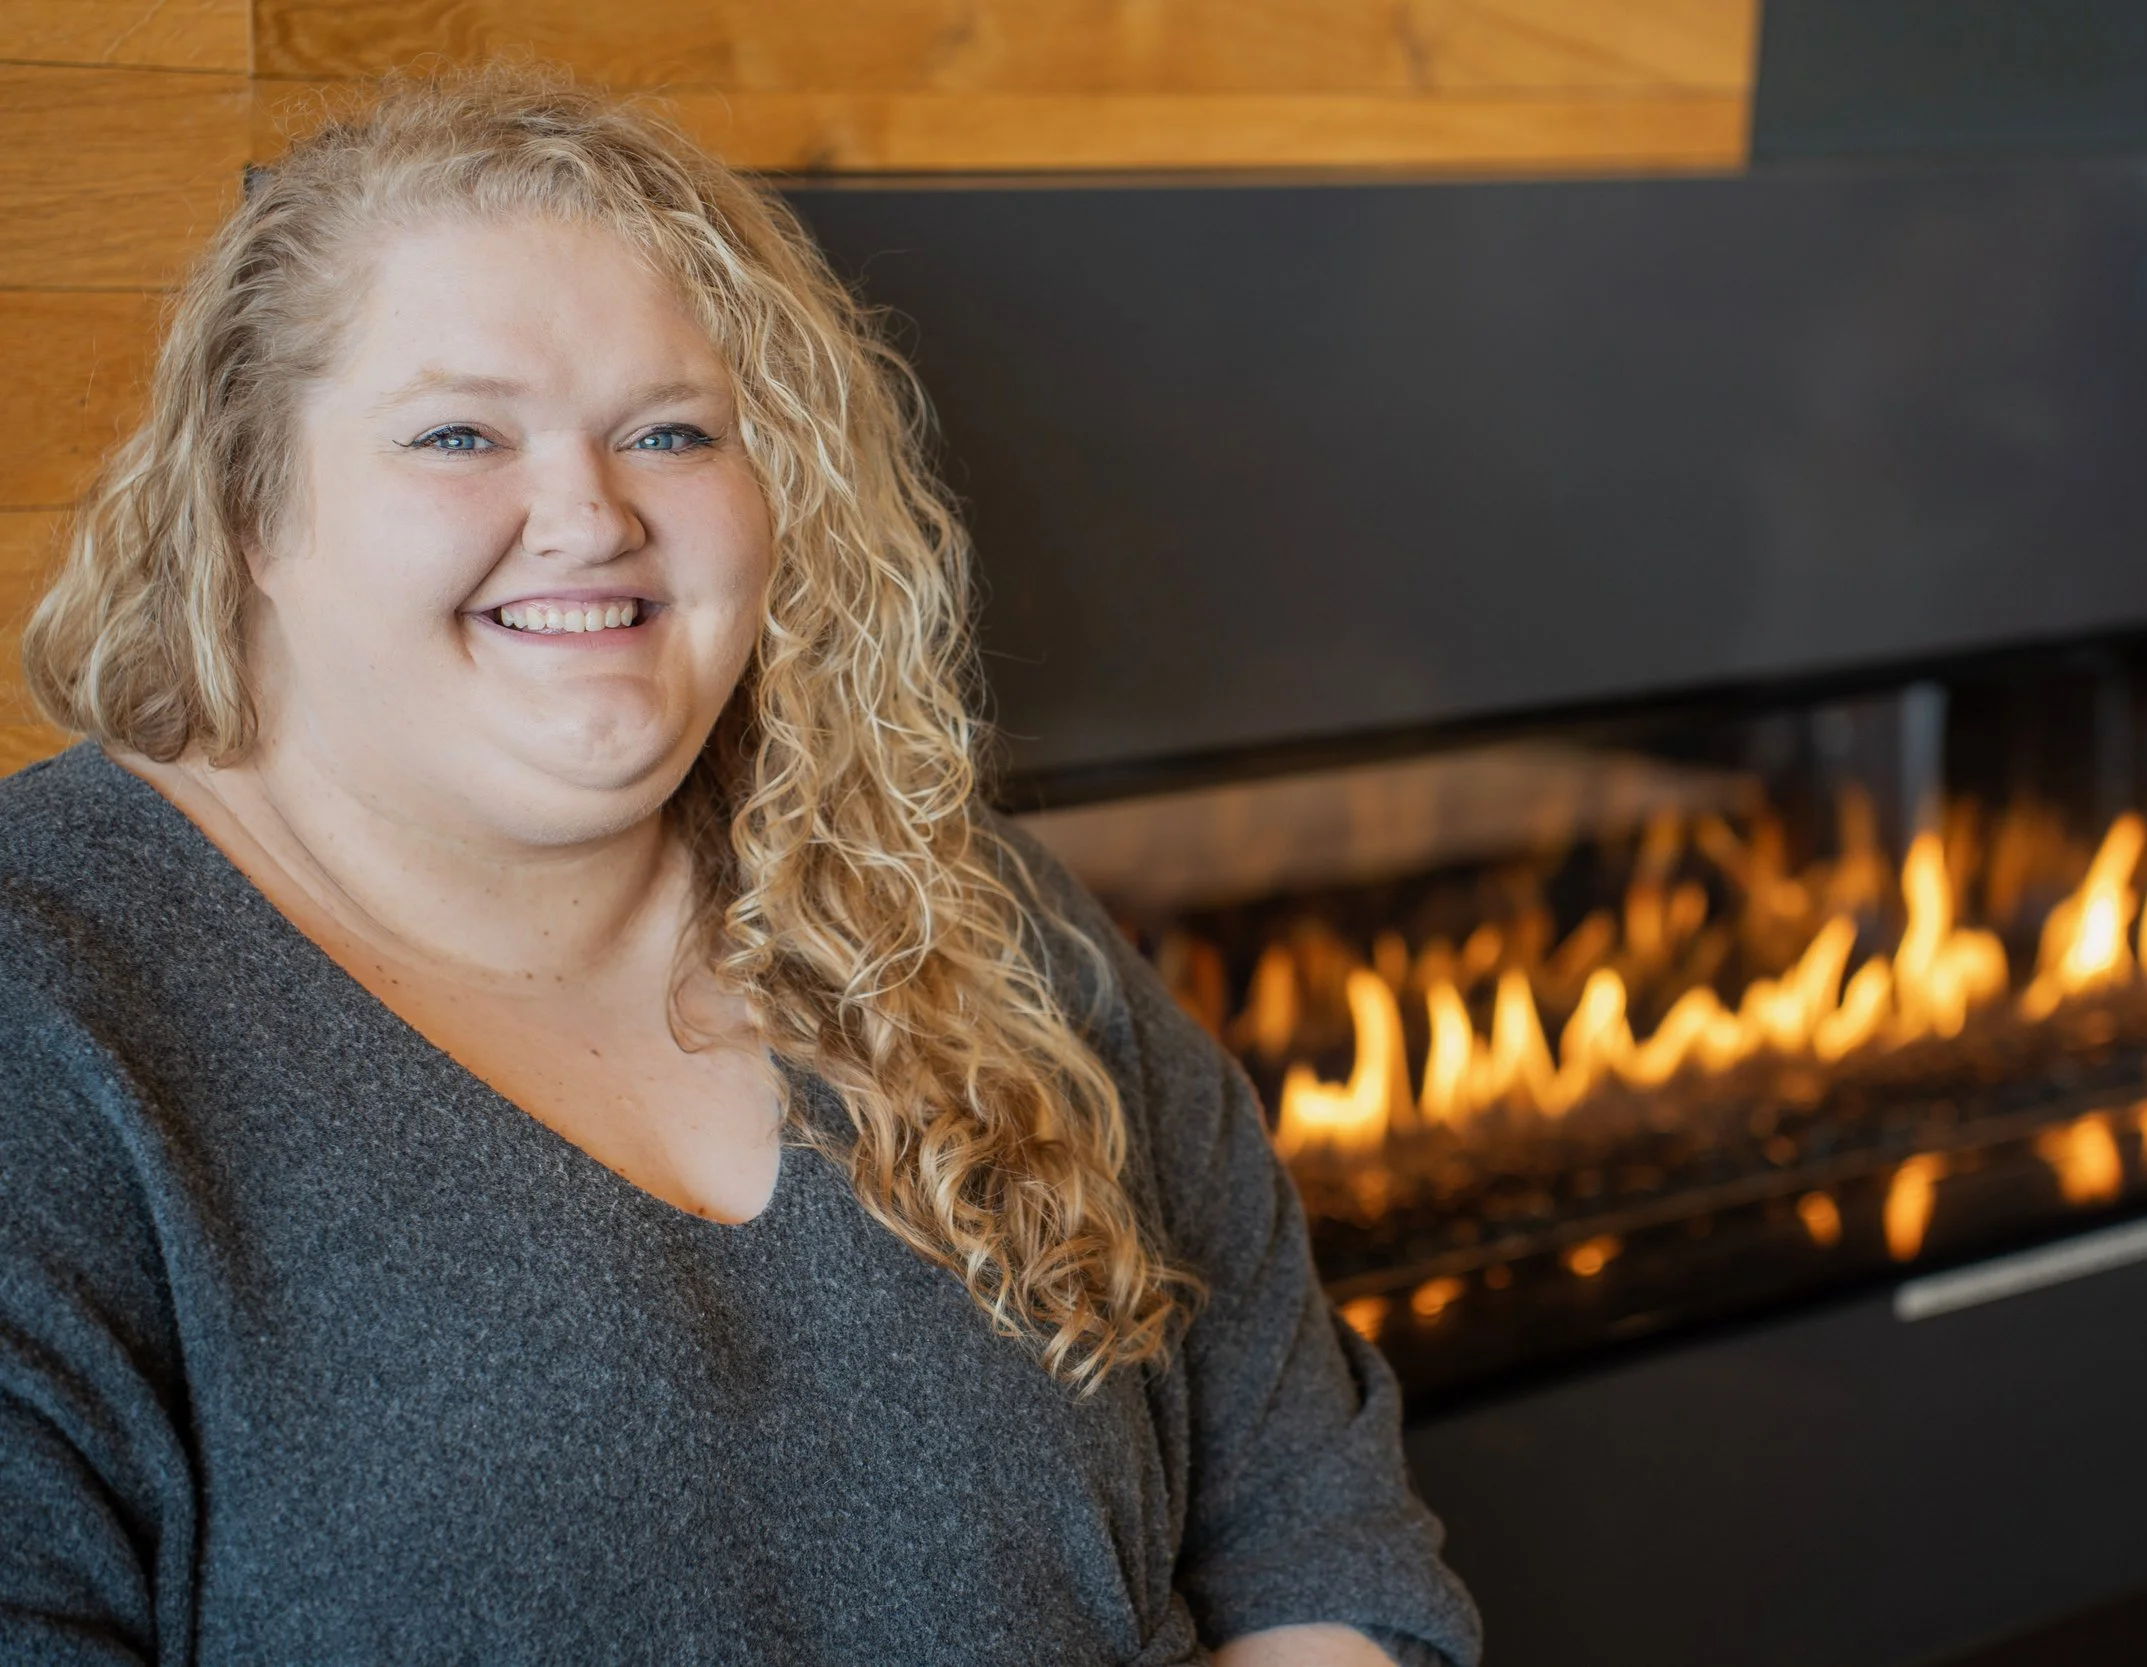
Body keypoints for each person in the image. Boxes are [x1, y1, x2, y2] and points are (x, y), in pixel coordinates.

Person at [0, 68, 1477, 1666]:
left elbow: (1321, 1542)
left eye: (672, 430)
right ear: (246, 515)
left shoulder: (957, 911)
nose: (586, 513)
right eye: (457, 433)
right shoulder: (53, 1016)